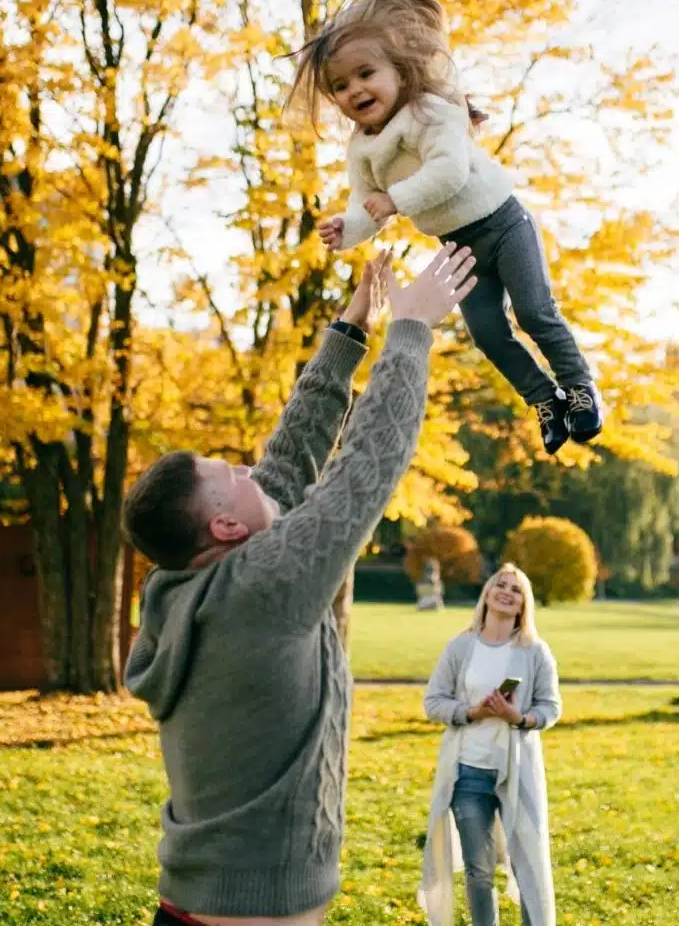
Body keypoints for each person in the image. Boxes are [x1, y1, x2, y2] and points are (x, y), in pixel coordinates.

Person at [122, 245, 477, 926]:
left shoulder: (199, 585)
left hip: (199, 903)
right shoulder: (260, 588)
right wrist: (412, 332)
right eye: (230, 472)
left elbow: (286, 464)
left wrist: (349, 334)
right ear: (224, 525)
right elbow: (365, 467)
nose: (249, 468)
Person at [286, 0, 601, 456]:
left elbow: (449, 172)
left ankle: (578, 387)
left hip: (504, 223)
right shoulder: (362, 147)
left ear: (398, 71)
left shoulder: (429, 111)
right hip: (460, 248)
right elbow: (365, 202)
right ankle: (544, 400)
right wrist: (347, 228)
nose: (355, 90)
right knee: (488, 332)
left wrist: (395, 200)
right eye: (340, 86)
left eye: (366, 74)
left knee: (533, 311)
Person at [419, 564, 562, 926]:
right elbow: (433, 701)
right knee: (478, 872)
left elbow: (551, 707)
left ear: (522, 605)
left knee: (528, 863)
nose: (507, 592)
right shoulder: (461, 645)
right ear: (487, 593)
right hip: (467, 773)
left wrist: (519, 718)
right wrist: (473, 712)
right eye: (501, 584)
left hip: (518, 773)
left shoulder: (535, 651)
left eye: (516, 589)